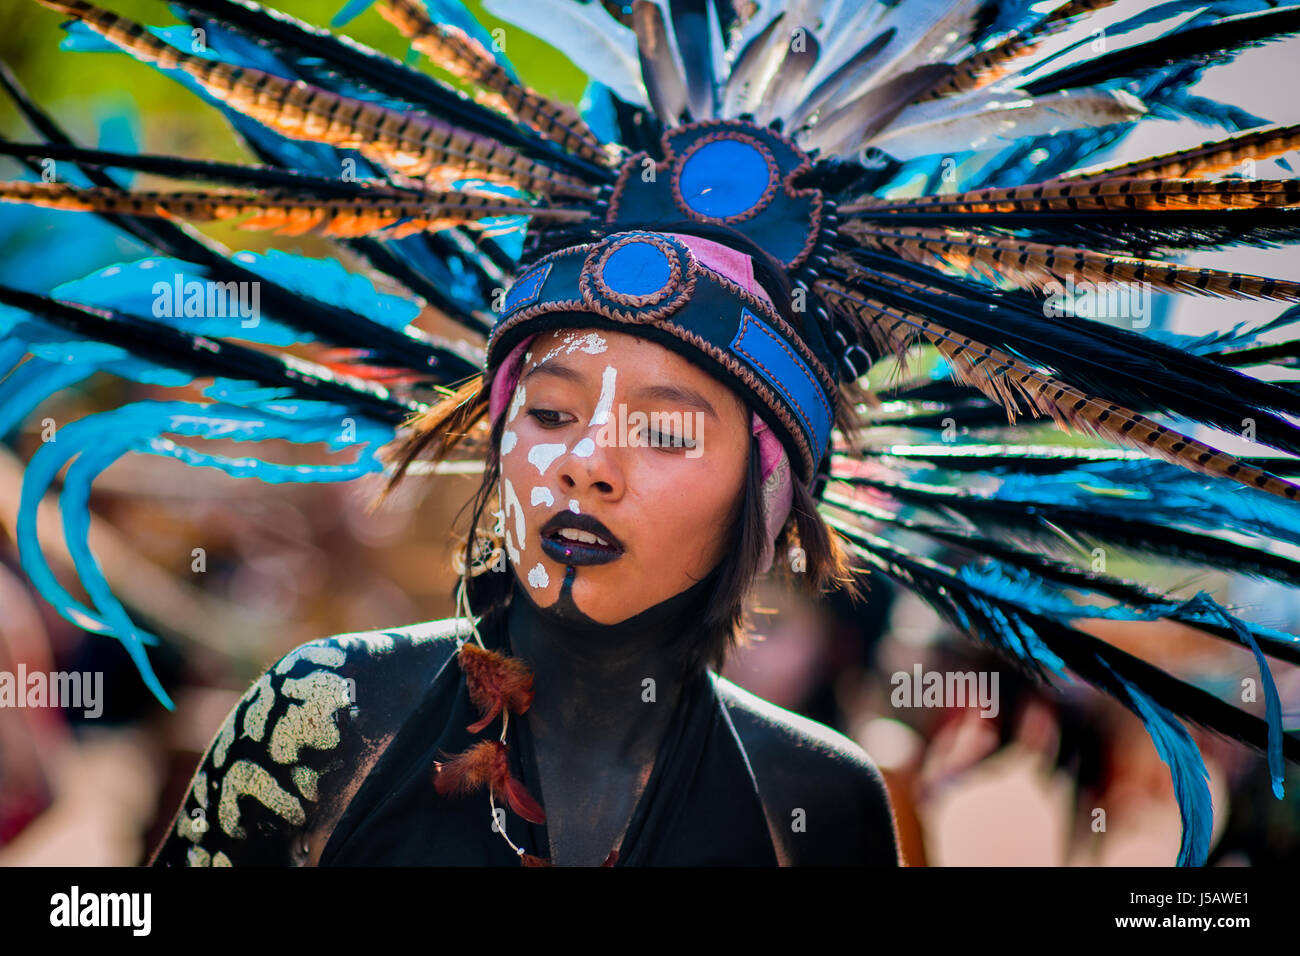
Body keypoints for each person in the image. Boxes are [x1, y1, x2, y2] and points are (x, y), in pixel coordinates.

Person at [149, 224, 902, 867]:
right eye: (549, 412)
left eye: (667, 433)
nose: (585, 464)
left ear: (761, 499)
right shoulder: (329, 710)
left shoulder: (817, 797)